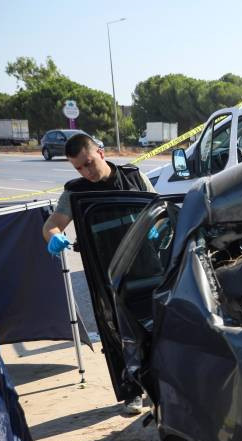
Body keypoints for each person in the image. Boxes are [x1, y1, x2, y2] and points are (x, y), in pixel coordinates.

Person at [42, 132, 155, 414]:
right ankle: (132, 391)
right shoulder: (75, 192)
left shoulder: (133, 177)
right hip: (106, 277)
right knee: (117, 333)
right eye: (78, 167)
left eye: (89, 163)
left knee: (156, 328)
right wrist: (54, 237)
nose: (86, 172)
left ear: (101, 153)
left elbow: (157, 209)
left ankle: (160, 387)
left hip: (147, 270)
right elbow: (51, 225)